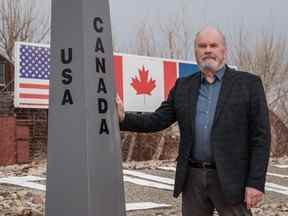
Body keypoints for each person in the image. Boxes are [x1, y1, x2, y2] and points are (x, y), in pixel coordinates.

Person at [116, 26, 271, 216]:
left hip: (232, 179)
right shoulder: (183, 86)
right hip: (192, 178)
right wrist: (123, 118)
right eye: (202, 46)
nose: (208, 50)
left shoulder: (249, 85)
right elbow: (157, 120)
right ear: (196, 51)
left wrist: (255, 183)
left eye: (213, 45)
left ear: (224, 50)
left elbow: (261, 138)